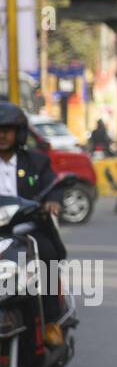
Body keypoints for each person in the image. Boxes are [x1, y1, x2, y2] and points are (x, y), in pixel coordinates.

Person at [0, 103, 70, 341]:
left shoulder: (36, 161)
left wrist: (53, 202)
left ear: (19, 132)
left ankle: (51, 321)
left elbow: (53, 186)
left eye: (7, 129)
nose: (2, 135)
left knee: (47, 256)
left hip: (26, 230)